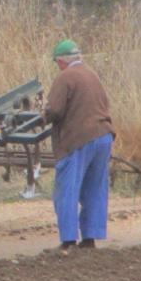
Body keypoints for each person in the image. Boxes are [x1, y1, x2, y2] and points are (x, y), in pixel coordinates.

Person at [43, 39, 115, 251]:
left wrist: (42, 116)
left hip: (79, 139)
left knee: (67, 189)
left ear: (61, 61)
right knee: (95, 188)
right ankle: (90, 238)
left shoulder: (65, 77)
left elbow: (55, 111)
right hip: (104, 136)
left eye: (57, 62)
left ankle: (68, 240)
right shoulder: (92, 75)